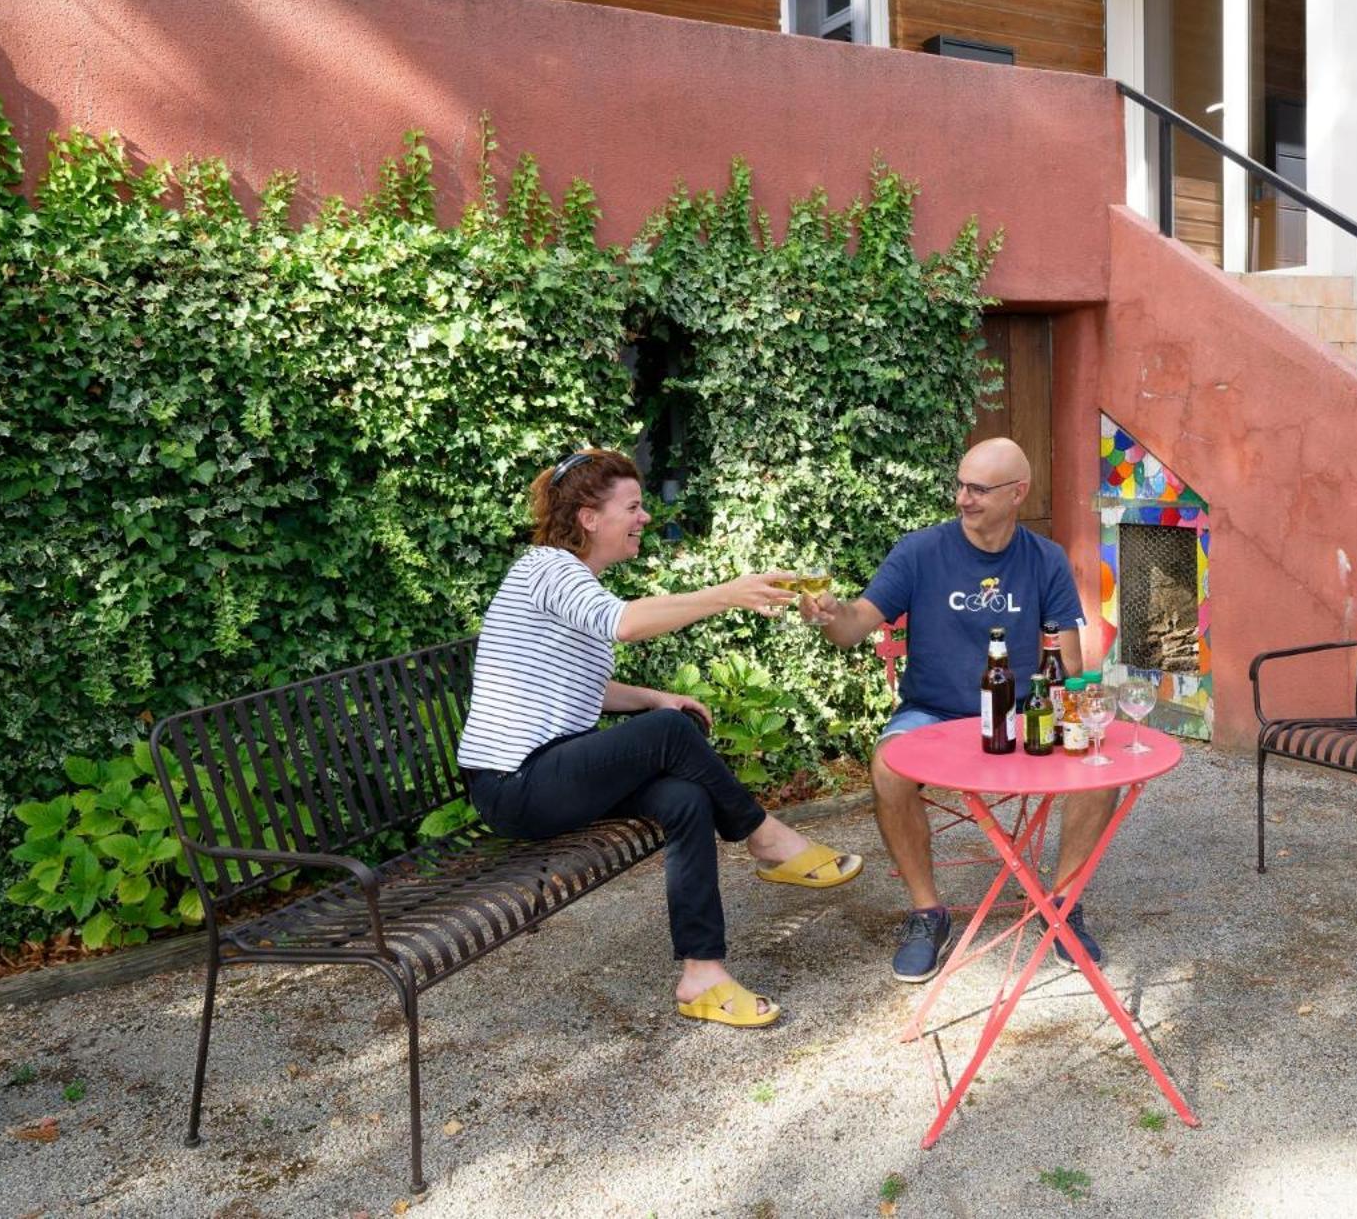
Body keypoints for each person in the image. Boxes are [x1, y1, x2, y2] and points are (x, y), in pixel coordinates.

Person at [456, 447, 863, 1029]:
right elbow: (627, 623)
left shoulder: (572, 581)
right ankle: (767, 838)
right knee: (671, 736)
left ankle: (704, 976)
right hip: (513, 783)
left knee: (684, 796)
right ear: (590, 518)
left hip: (550, 772)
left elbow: (584, 690)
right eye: (634, 506)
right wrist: (726, 594)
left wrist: (653, 699)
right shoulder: (546, 568)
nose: (644, 517)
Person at [803, 437, 1109, 981]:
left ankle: (1061, 905)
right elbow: (853, 628)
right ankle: (927, 913)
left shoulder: (1045, 560)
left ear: (1018, 494)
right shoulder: (920, 551)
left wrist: (1080, 724)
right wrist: (829, 615)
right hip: (933, 713)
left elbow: (1070, 660)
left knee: (1098, 770)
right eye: (960, 484)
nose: (962, 499)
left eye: (977, 489)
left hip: (1020, 714)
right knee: (888, 769)